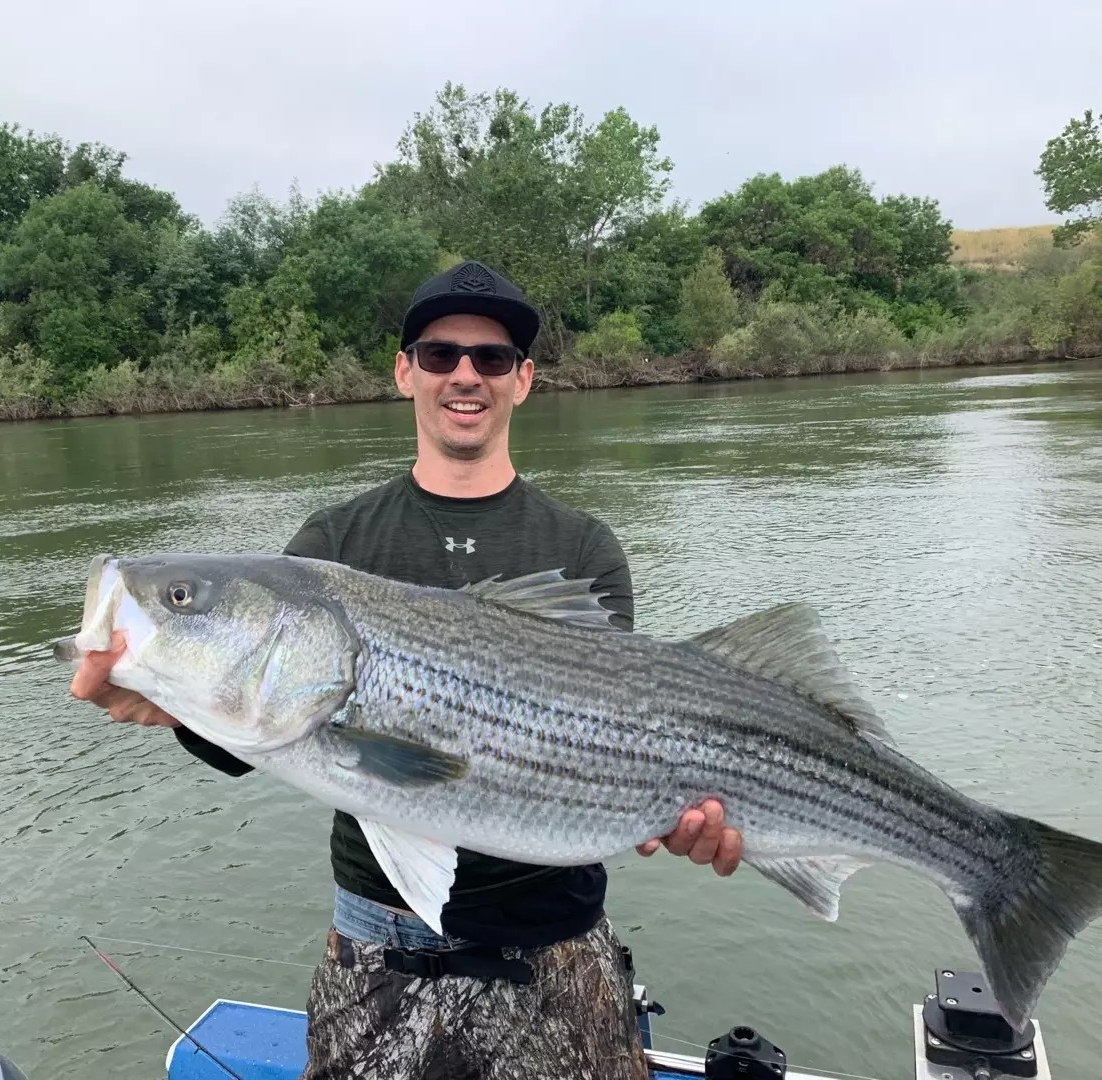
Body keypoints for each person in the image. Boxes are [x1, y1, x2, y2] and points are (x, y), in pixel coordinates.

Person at [70, 261, 743, 1080]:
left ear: (522, 379)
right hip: (375, 952)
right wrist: (172, 705)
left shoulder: (581, 547)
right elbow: (259, 733)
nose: (464, 374)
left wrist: (681, 812)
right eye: (438, 354)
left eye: (491, 358)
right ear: (405, 371)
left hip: (557, 953)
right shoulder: (333, 544)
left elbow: (616, 739)